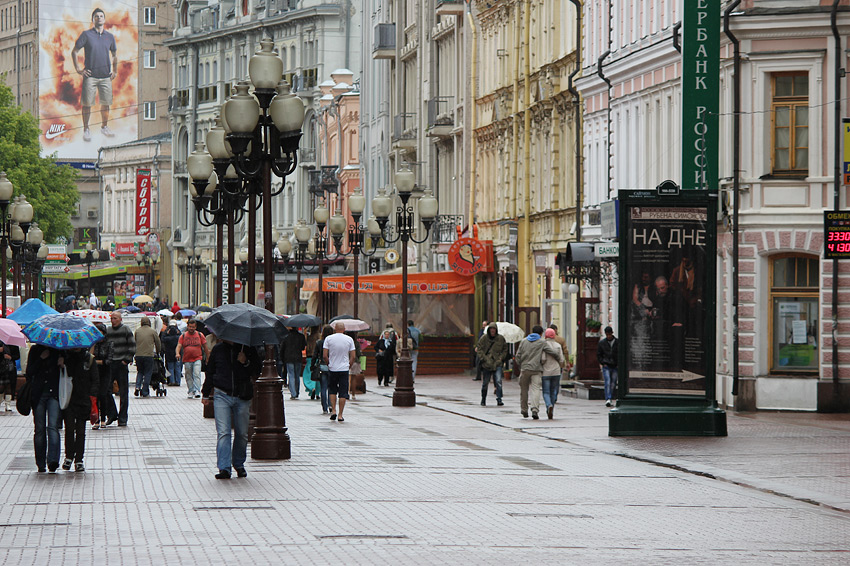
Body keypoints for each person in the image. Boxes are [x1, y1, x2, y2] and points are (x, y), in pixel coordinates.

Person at [201, 340, 261, 480]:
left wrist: (245, 361)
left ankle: (238, 464)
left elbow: (257, 370)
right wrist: (205, 393)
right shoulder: (218, 349)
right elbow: (210, 371)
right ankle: (224, 468)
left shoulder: (248, 348)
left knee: (242, 433)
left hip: (242, 396)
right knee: (223, 432)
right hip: (222, 394)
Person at [71, 8, 117, 143]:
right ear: (93, 19)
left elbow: (114, 55)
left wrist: (115, 71)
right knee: (87, 104)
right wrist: (79, 69)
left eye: (101, 16)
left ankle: (104, 126)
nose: (99, 18)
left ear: (104, 19)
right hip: (90, 75)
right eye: (96, 16)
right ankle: (86, 129)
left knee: (106, 103)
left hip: (105, 76)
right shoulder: (86, 35)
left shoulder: (110, 36)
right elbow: (74, 52)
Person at [26, 344, 64, 472]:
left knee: (53, 426)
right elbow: (29, 372)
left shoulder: (59, 350)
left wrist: (62, 364)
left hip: (54, 394)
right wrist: (41, 359)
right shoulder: (35, 350)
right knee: (40, 429)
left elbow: (65, 372)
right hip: (39, 395)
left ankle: (53, 460)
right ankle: (40, 463)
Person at [61, 349, 100, 472]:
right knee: (69, 429)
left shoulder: (89, 359)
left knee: (81, 430)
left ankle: (78, 459)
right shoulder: (66, 357)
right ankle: (69, 456)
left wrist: (92, 397)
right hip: (69, 398)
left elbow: (95, 380)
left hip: (83, 399)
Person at [514, 325, 560, 419]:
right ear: (541, 333)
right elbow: (550, 351)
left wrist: (520, 365)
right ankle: (534, 409)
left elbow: (518, 355)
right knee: (535, 389)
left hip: (525, 369)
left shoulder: (523, 341)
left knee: (524, 390)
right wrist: (558, 357)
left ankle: (524, 409)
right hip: (536, 369)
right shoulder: (542, 342)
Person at [106, 311, 135, 426]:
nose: (113, 320)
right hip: (111, 363)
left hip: (121, 364)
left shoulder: (126, 330)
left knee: (123, 392)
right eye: (112, 318)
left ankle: (122, 418)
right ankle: (112, 413)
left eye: (115, 318)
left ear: (120, 319)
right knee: (106, 390)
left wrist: (126, 359)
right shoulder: (108, 331)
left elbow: (132, 346)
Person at [323, 322, 355, 422]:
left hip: (333, 368)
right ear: (344, 329)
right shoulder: (349, 339)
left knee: (332, 390)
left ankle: (334, 411)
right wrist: (349, 365)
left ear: (335, 328)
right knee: (343, 392)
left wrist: (329, 363)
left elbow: (324, 355)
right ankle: (340, 415)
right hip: (344, 369)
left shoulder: (328, 339)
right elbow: (353, 356)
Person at [475, 322, 508, 406]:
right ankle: (483, 399)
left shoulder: (500, 338)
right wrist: (484, 358)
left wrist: (501, 358)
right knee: (485, 382)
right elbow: (479, 349)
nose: (492, 331)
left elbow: (505, 349)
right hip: (487, 364)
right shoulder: (484, 338)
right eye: (491, 329)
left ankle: (499, 399)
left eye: (494, 329)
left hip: (497, 363)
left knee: (498, 381)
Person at [176, 319, 209, 399]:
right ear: (187, 326)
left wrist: (208, 357)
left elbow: (205, 347)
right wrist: (177, 353)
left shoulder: (200, 335)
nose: (191, 328)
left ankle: (197, 390)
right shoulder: (183, 336)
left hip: (197, 358)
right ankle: (191, 390)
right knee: (188, 375)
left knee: (197, 374)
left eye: (193, 327)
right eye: (190, 327)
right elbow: (179, 345)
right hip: (187, 359)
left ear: (196, 327)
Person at [92, 322, 115, 428]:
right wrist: (93, 344)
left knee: (103, 394)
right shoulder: (94, 344)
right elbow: (89, 357)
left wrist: (97, 361)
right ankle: (96, 419)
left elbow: (109, 361)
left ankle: (103, 419)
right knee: (95, 395)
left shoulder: (109, 344)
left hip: (106, 372)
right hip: (95, 373)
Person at [541, 328, 565, 419]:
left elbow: (543, 359)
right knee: (554, 391)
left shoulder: (543, 345)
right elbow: (562, 359)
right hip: (556, 371)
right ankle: (552, 408)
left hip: (546, 372)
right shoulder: (558, 345)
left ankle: (548, 405)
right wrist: (561, 366)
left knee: (546, 391)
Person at [133, 317, 161, 397]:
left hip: (138, 355)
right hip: (149, 355)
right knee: (148, 373)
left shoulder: (137, 331)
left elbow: (134, 342)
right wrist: (158, 351)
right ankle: (145, 391)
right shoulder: (152, 331)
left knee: (140, 372)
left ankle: (137, 387)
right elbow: (158, 342)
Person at [311, 325, 333, 414]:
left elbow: (315, 355)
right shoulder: (333, 342)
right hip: (332, 366)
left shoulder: (319, 342)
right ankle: (331, 404)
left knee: (323, 387)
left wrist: (312, 365)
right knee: (331, 387)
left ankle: (324, 407)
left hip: (322, 366)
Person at [281, 326, 306, 400]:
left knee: (291, 375)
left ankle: (293, 393)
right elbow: (303, 347)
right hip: (298, 357)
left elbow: (282, 348)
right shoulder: (301, 336)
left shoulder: (286, 336)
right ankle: (297, 391)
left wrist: (282, 358)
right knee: (297, 375)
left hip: (288, 358)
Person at [597, 326, 619, 407]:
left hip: (615, 365)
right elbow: (599, 355)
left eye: (609, 334)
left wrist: (618, 363)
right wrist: (603, 363)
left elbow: (620, 353)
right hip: (606, 365)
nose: (608, 336)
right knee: (608, 382)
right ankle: (608, 398)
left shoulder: (617, 342)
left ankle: (610, 396)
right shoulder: (602, 343)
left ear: (612, 333)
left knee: (613, 383)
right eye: (607, 334)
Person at [0, 340, 20, 412]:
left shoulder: (13, 344)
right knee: (1, 387)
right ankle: (1, 400)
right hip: (1, 368)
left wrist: (10, 357)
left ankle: (8, 403)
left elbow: (17, 356)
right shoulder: (0, 344)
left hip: (10, 368)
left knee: (9, 386)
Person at [160, 321, 182, 386]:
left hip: (169, 354)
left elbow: (162, 339)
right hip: (177, 354)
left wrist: (166, 333)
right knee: (177, 368)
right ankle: (178, 381)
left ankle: (172, 381)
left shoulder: (167, 337)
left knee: (170, 368)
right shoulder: (178, 336)